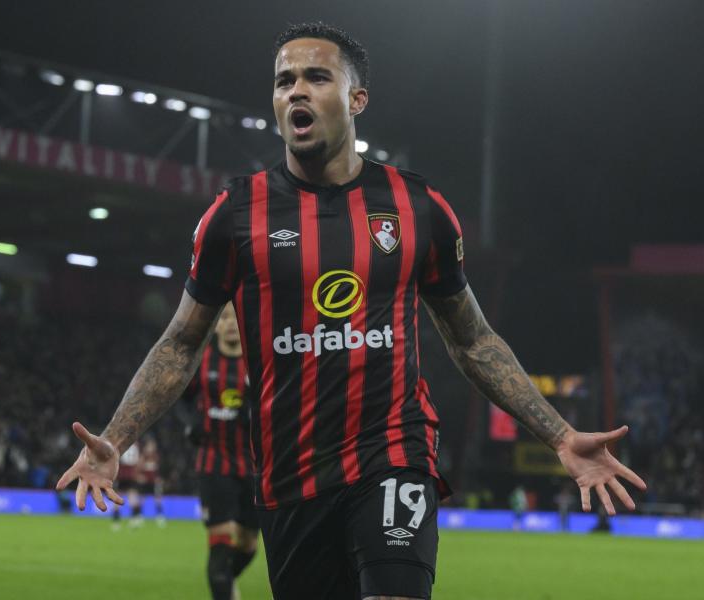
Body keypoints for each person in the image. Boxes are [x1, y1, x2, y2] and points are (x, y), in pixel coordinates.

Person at [56, 22, 646, 600]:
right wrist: (117, 437)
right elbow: (181, 344)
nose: (297, 91)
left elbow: (472, 340)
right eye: (285, 80)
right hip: (289, 476)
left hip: (393, 453)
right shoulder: (234, 215)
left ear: (356, 98)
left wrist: (559, 435)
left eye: (317, 77)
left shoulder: (418, 208)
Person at [179, 304, 259, 600]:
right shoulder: (202, 360)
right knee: (219, 550)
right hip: (214, 465)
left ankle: (226, 581)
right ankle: (223, 584)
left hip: (254, 468)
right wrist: (191, 423)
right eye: (224, 318)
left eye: (235, 318)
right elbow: (182, 400)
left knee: (249, 546)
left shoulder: (259, 362)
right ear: (215, 325)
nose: (229, 324)